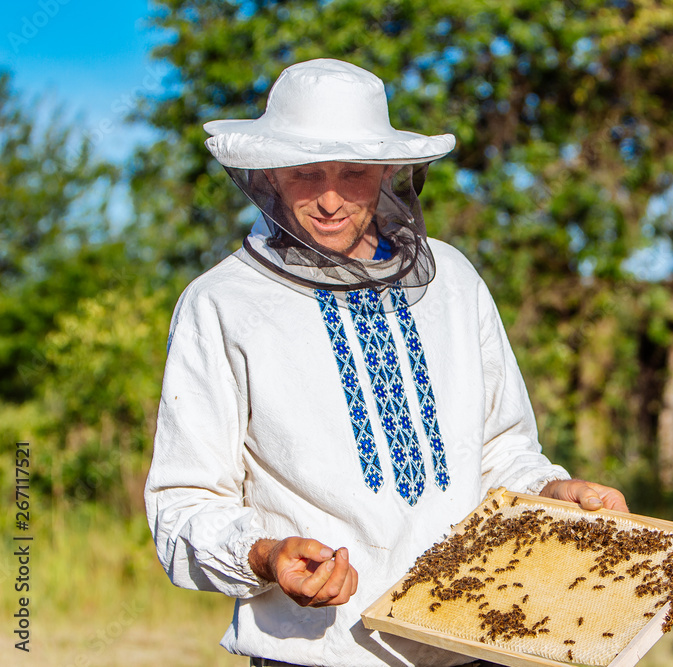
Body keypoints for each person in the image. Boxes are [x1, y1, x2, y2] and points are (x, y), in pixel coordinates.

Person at [144, 58, 628, 667]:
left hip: (471, 642)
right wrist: (266, 555)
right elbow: (183, 502)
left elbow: (500, 451)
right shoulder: (220, 303)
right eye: (305, 173)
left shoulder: (453, 279)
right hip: (317, 652)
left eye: (353, 172)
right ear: (267, 176)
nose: (329, 198)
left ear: (387, 172)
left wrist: (554, 490)